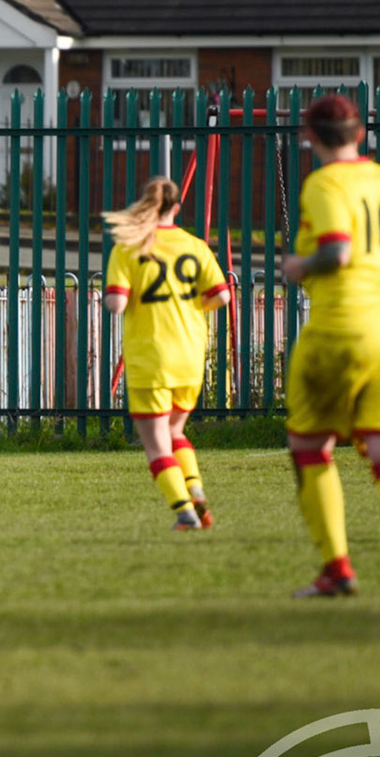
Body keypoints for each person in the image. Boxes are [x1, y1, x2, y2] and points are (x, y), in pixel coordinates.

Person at [281, 93, 380, 598]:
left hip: (344, 329)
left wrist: (299, 267)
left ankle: (337, 570)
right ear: (362, 134)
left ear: (311, 137)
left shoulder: (325, 182)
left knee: (309, 447)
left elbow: (337, 251)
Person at [102, 178, 232, 531]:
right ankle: (195, 489)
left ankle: (185, 513)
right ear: (176, 208)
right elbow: (222, 296)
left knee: (156, 443)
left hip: (151, 356)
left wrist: (118, 299)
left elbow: (116, 303)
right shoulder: (195, 246)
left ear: (145, 205)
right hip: (189, 354)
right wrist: (193, 306)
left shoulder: (129, 247)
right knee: (176, 433)